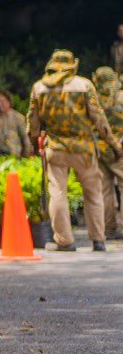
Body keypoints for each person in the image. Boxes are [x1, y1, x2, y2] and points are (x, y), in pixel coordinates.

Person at [27, 50, 121, 252]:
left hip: (56, 149)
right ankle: (98, 240)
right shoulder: (84, 85)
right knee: (93, 194)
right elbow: (99, 120)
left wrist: (34, 144)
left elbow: (33, 124)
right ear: (73, 65)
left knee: (58, 193)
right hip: (84, 149)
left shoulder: (39, 88)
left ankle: (64, 241)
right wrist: (114, 144)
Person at [93, 67, 123, 240]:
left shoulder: (93, 99)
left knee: (105, 190)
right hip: (120, 149)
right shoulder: (121, 97)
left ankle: (109, 229)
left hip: (100, 150)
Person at [0, 89, 31, 157]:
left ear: (9, 102)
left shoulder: (18, 118)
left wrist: (25, 156)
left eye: (2, 101)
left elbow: (25, 139)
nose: (0, 104)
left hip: (13, 155)